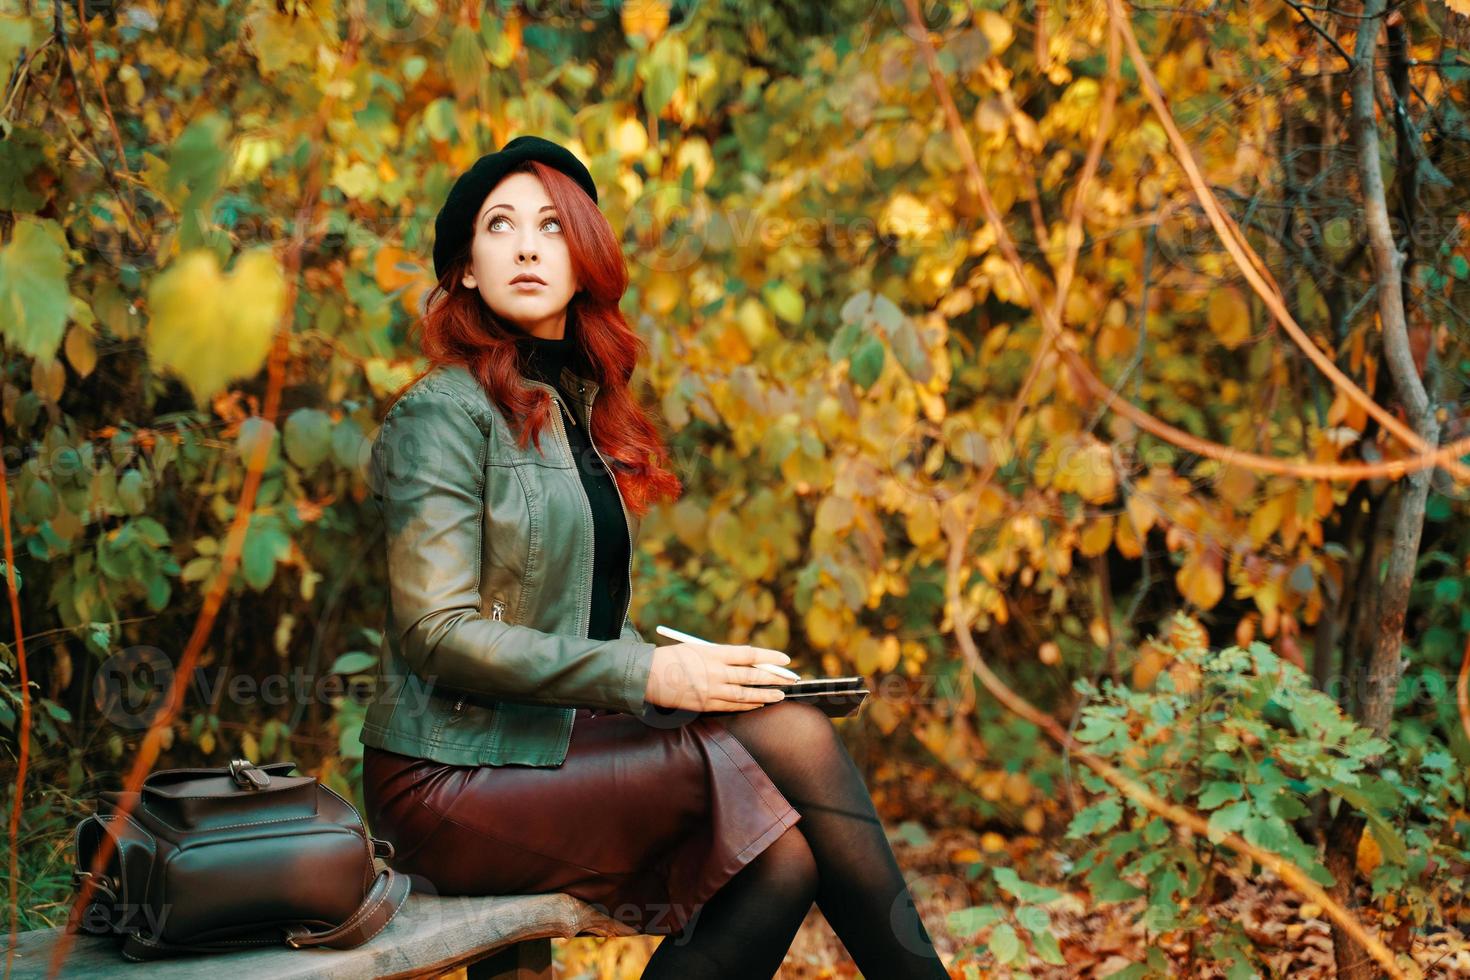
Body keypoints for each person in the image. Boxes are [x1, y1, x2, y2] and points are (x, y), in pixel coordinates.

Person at [358, 135, 949, 979]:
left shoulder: (577, 409)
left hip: (545, 745)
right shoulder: (442, 416)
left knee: (783, 856)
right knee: (792, 733)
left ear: (584, 256)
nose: (527, 246)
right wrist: (647, 679)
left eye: (553, 226)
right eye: (500, 226)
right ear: (463, 269)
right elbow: (438, 633)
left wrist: (682, 664)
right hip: (447, 778)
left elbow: (568, 618)